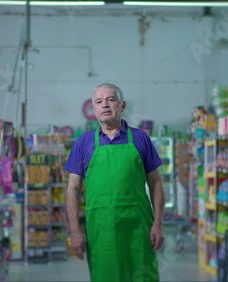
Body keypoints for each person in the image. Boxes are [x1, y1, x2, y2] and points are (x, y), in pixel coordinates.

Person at [65, 83, 165, 282]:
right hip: (102, 229)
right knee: (106, 275)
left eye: (111, 99)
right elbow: (73, 188)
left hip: (138, 226)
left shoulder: (140, 139)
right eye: (99, 101)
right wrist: (75, 232)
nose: (105, 105)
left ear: (122, 105)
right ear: (94, 109)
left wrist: (158, 224)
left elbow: (156, 184)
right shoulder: (84, 142)